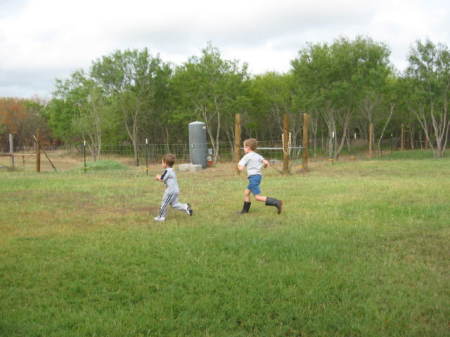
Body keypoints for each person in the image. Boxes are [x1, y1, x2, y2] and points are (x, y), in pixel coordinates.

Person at [237, 138, 283, 214]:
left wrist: (238, 166)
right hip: (258, 176)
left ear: (248, 147)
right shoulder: (258, 155)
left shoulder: (246, 156)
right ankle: (245, 211)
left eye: (244, 147)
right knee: (246, 193)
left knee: (257, 197)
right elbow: (266, 163)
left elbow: (241, 168)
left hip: (253, 178)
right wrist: (264, 165)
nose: (243, 149)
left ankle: (277, 202)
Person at [154, 154, 193, 222]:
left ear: (166, 163)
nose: (161, 164)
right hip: (175, 190)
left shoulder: (167, 171)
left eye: (162, 162)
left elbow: (162, 179)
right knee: (174, 204)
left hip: (170, 191)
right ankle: (185, 207)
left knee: (164, 203)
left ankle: (161, 217)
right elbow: (165, 178)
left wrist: (157, 177)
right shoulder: (171, 170)